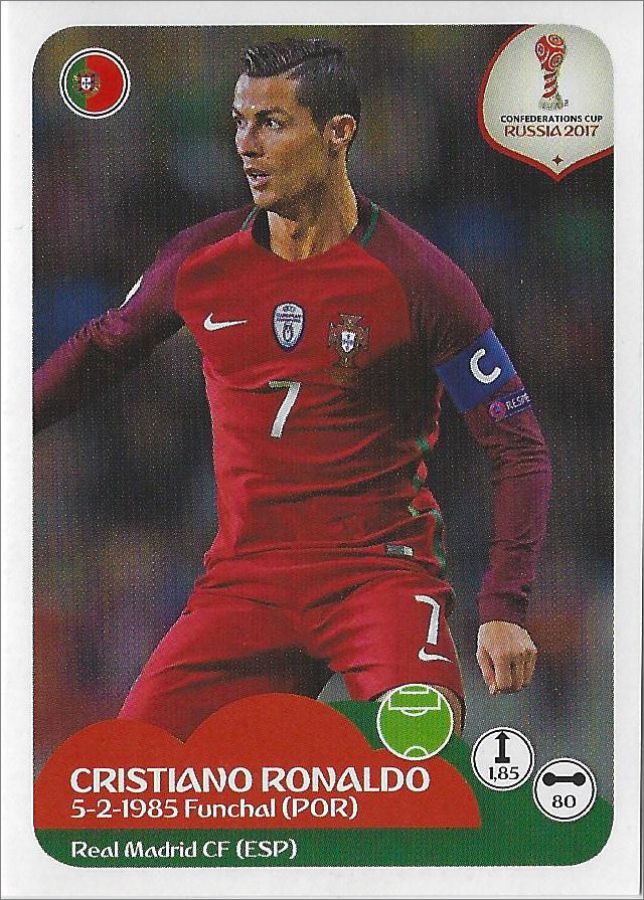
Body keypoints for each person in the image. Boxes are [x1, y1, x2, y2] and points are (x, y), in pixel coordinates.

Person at [33, 38, 551, 740]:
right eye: (240, 122)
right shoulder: (202, 261)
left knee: (421, 765)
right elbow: (102, 345)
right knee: (136, 776)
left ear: (339, 132)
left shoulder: (419, 278)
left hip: (381, 579)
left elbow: (518, 447)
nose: (246, 145)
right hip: (245, 584)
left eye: (272, 123)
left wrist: (504, 606)